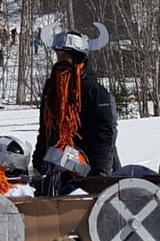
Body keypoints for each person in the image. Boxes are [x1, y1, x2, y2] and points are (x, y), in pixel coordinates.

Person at [31, 29, 119, 195]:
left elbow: (105, 134)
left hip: (88, 168)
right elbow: (45, 128)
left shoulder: (96, 91)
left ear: (79, 58)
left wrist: (100, 173)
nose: (60, 61)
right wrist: (38, 162)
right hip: (56, 165)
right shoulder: (51, 89)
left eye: (66, 56)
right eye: (59, 56)